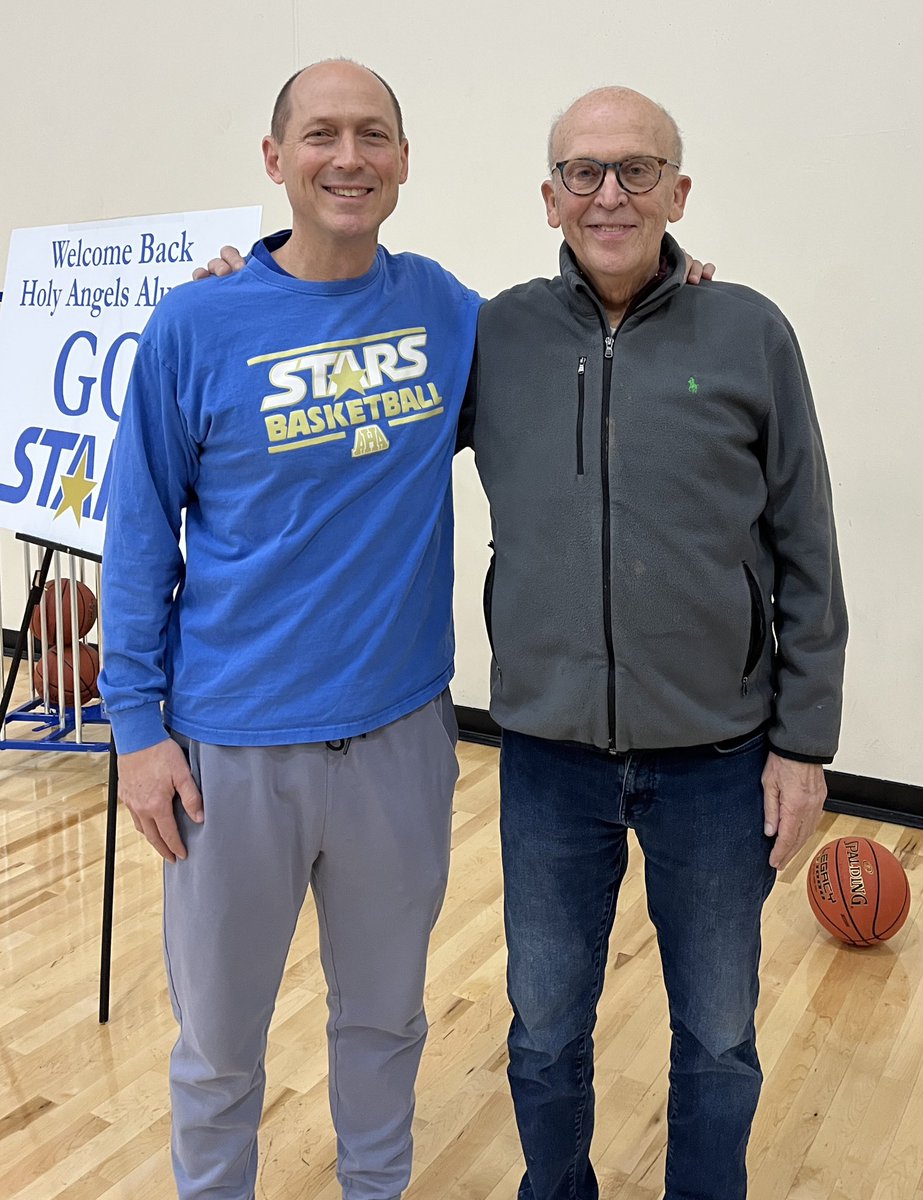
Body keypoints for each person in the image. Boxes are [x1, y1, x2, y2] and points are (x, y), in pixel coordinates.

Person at [99, 60, 482, 1200]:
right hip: (229, 756)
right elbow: (135, 530)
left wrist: (675, 285)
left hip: (398, 742)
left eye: (374, 135)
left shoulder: (448, 312)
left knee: (385, 1025)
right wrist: (135, 729)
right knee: (218, 1054)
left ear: (405, 162)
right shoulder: (198, 323)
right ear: (276, 160)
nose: (348, 157)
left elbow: (586, 353)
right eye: (321, 135)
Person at [457, 87, 848, 1200]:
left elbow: (806, 546)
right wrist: (250, 279)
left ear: (679, 191)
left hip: (719, 764)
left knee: (719, 1038)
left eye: (637, 169)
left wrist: (803, 741)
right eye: (583, 172)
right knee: (541, 1030)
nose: (609, 193)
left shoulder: (750, 331)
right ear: (547, 199)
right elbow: (359, 385)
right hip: (545, 757)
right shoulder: (495, 336)